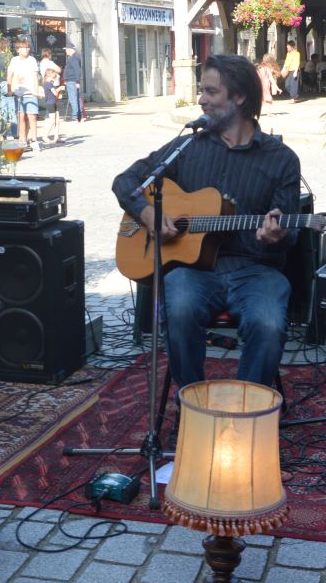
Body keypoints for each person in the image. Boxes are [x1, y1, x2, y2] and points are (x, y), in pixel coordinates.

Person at [111, 54, 300, 390]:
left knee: (268, 323)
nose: (201, 100)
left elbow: (290, 234)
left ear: (239, 97)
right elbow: (126, 181)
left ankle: (249, 409)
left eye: (211, 92)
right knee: (180, 307)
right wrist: (148, 214)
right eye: (201, 91)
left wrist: (277, 233)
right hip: (194, 271)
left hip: (256, 270)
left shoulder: (281, 159)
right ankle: (193, 404)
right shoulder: (187, 147)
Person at [6, 39, 41, 152]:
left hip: (30, 93)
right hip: (18, 93)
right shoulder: (14, 60)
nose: (26, 50)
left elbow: (35, 76)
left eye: (27, 47)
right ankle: (23, 141)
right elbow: (9, 75)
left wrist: (35, 91)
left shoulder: (32, 60)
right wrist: (10, 90)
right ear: (18, 50)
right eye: (24, 48)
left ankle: (35, 141)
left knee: (32, 117)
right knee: (21, 118)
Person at [38, 47, 62, 146]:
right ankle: (46, 135)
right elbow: (59, 70)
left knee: (55, 118)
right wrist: (60, 88)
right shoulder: (49, 63)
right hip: (52, 92)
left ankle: (56, 136)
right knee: (51, 119)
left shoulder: (41, 63)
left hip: (52, 92)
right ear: (49, 54)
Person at [62, 42, 85, 122]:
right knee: (77, 98)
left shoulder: (74, 58)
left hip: (72, 81)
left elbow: (77, 70)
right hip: (72, 80)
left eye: (66, 49)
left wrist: (77, 81)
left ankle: (76, 116)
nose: (66, 51)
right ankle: (79, 115)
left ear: (70, 49)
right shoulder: (74, 57)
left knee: (73, 98)